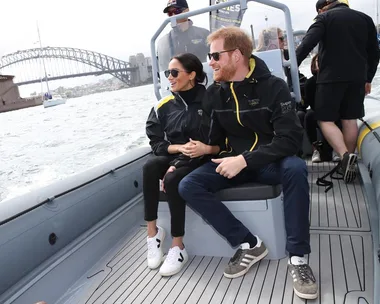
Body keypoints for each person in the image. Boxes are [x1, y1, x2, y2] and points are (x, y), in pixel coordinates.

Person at [178, 27, 318, 300]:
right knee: (188, 184)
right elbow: (210, 141)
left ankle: (298, 259)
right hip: (232, 161)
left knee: (296, 168)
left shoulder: (273, 87)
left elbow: (289, 141)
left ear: (237, 55)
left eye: (215, 55)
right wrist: (179, 163)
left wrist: (244, 160)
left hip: (268, 163)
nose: (210, 62)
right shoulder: (214, 93)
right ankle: (248, 243)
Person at [144, 53, 220, 276]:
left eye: (175, 72)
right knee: (150, 167)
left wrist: (177, 164)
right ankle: (153, 234)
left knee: (172, 178)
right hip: (178, 151)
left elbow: (217, 139)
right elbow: (156, 143)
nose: (170, 77)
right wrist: (177, 151)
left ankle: (178, 245)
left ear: (192, 75)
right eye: (168, 73)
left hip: (203, 155)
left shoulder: (210, 101)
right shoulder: (164, 105)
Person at [296, 0, 380, 182]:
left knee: (324, 119)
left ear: (323, 7)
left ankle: (344, 156)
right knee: (349, 119)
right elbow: (374, 53)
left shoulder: (324, 18)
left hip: (331, 78)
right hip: (357, 78)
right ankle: (347, 164)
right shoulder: (365, 19)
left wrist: (291, 65)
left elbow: (306, 45)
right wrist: (368, 79)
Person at [304, 54, 340, 163]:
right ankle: (316, 149)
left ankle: (336, 149)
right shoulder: (310, 83)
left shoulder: (335, 81)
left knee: (340, 116)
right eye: (318, 62)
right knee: (308, 116)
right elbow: (310, 102)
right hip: (317, 111)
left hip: (333, 111)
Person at [157, 0, 210, 71]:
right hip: (178, 80)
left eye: (177, 11)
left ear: (187, 10)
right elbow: (162, 68)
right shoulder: (163, 42)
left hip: (202, 78)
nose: (173, 15)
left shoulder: (204, 34)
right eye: (170, 13)